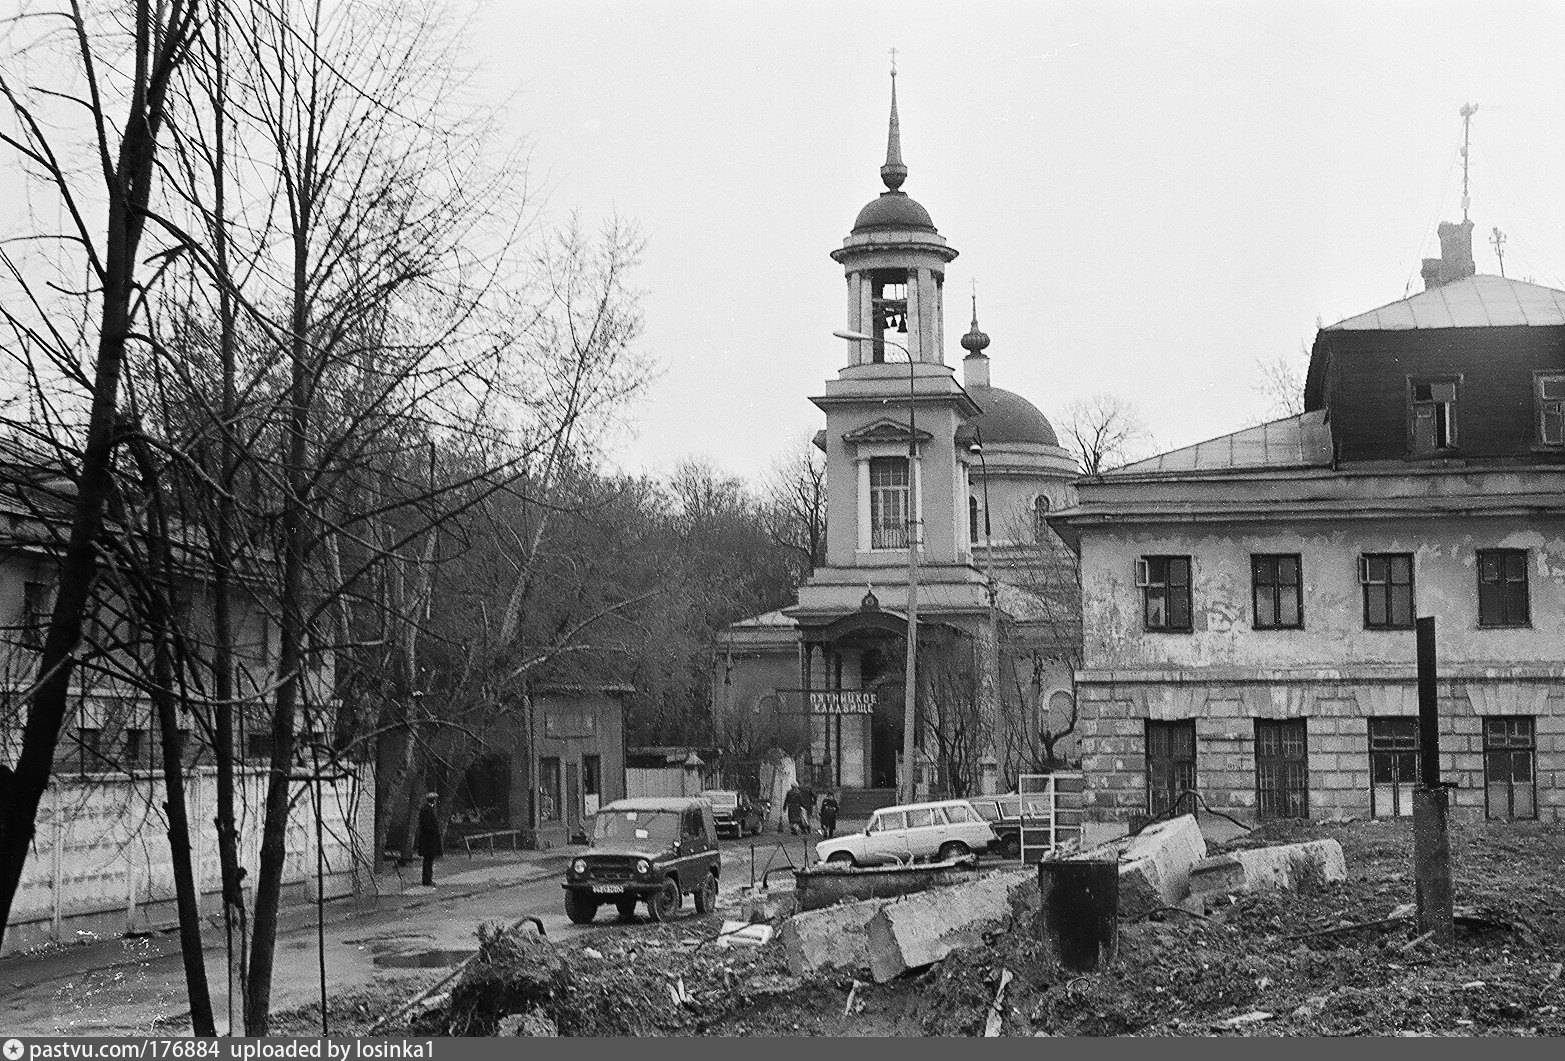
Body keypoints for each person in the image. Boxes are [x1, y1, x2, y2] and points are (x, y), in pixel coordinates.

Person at [415, 792, 443, 887]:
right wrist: (435, 831)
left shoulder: (427, 809)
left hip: (428, 840)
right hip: (428, 840)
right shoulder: (427, 810)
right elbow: (428, 825)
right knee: (428, 860)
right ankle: (427, 880)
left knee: (429, 860)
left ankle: (427, 879)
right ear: (433, 800)